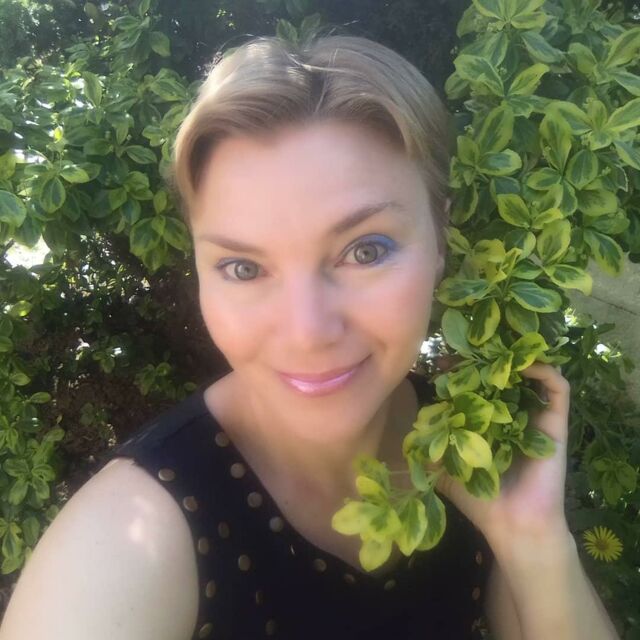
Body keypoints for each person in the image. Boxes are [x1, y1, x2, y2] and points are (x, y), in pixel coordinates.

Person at [0, 33, 620, 640]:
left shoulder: (472, 450)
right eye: (243, 268)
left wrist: (535, 545)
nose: (307, 333)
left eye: (365, 250)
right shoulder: (121, 548)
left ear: (441, 237)